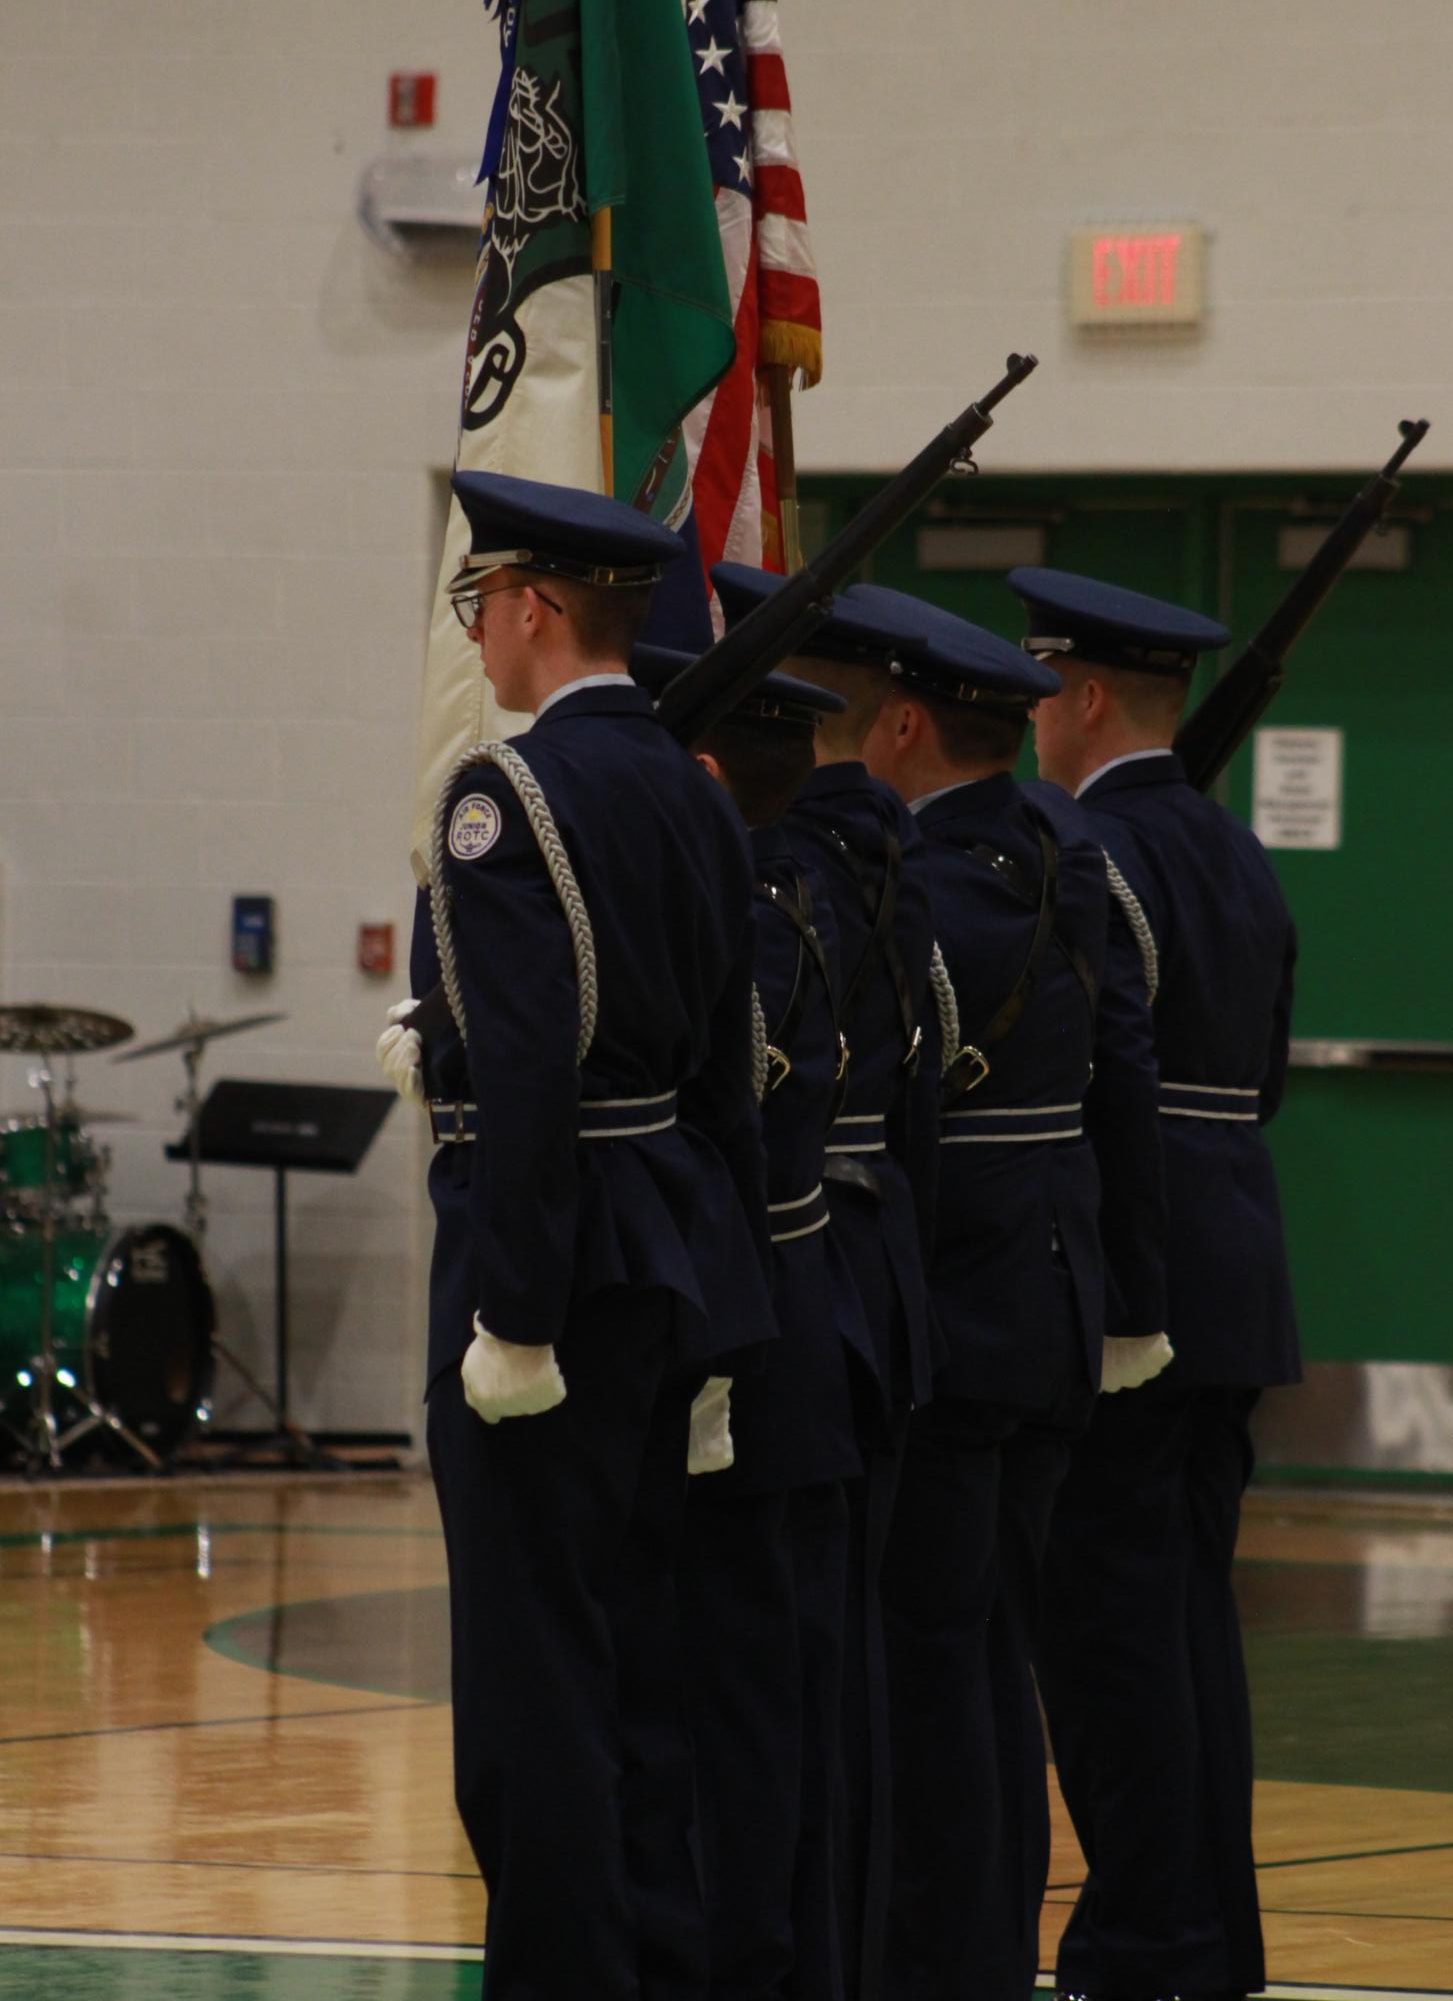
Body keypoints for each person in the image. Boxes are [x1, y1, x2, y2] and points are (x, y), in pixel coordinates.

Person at [400, 471, 777, 2001]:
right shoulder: (694, 786)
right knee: (640, 1656)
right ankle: (654, 1964)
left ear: (532, 606)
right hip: (674, 1254)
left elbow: (535, 1069)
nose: (476, 627)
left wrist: (513, 1317)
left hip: (550, 1267)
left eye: (480, 595)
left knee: (531, 1684)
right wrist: (727, 1306)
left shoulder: (508, 798)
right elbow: (726, 1068)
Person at [845, 587, 1166, 2001]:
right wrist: (1130, 1294)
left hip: (959, 1307)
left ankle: (944, 1953)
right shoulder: (1063, 853)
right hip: (1051, 1291)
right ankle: (982, 1948)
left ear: (904, 722)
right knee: (992, 1654)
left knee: (937, 1658)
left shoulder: (921, 884)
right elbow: (1128, 1087)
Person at [1009, 564, 1301, 2001]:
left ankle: (1145, 1938)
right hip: (1237, 1259)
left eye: (1036, 684)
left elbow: (1091, 1081)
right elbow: (1265, 1073)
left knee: (1109, 1630)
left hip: (1137, 1278)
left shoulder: (1087, 850)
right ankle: (1204, 1935)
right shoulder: (1236, 852)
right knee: (1182, 1620)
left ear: (1083, 697)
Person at [710, 564, 940, 2001]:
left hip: (793, 1286)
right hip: (870, 1278)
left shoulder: (784, 887)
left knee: (767, 1678)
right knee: (835, 1668)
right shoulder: (876, 866)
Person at [633, 642, 865, 2001]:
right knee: (767, 1679)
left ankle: (746, 1961)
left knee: (734, 1686)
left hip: (751, 1327)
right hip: (805, 1309)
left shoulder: (753, 914)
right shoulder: (810, 892)